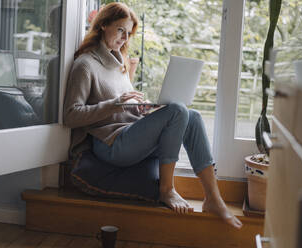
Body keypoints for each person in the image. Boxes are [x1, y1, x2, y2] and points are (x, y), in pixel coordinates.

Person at [63, 2, 242, 229]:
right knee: (177, 110)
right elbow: (71, 115)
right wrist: (116, 104)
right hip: (111, 145)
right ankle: (167, 190)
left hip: (130, 134)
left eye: (128, 33)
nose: (125, 38)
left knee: (192, 116)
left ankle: (213, 198)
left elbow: (123, 109)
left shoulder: (119, 62)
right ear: (103, 25)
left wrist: (141, 109)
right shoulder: (85, 65)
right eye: (120, 30)